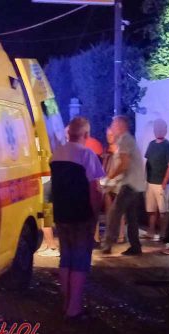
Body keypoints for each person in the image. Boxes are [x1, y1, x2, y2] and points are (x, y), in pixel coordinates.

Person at [50, 117, 105, 319]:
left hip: (61, 213)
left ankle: (65, 302)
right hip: (81, 214)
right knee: (80, 260)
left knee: (66, 258)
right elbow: (95, 189)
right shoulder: (86, 154)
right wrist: (95, 214)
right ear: (86, 135)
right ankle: (74, 308)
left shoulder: (57, 154)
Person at [100, 115, 147, 256]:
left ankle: (107, 244)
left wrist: (108, 178)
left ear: (120, 126)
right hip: (137, 185)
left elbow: (124, 164)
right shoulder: (129, 139)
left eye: (113, 125)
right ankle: (135, 246)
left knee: (114, 213)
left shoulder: (124, 140)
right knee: (131, 217)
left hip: (130, 184)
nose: (112, 128)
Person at [144, 119, 169, 243]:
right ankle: (151, 231)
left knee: (163, 211)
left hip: (161, 184)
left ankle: (163, 233)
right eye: (156, 127)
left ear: (165, 130)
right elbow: (147, 162)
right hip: (150, 182)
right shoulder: (151, 144)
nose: (158, 130)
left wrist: (165, 181)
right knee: (151, 210)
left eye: (161, 127)